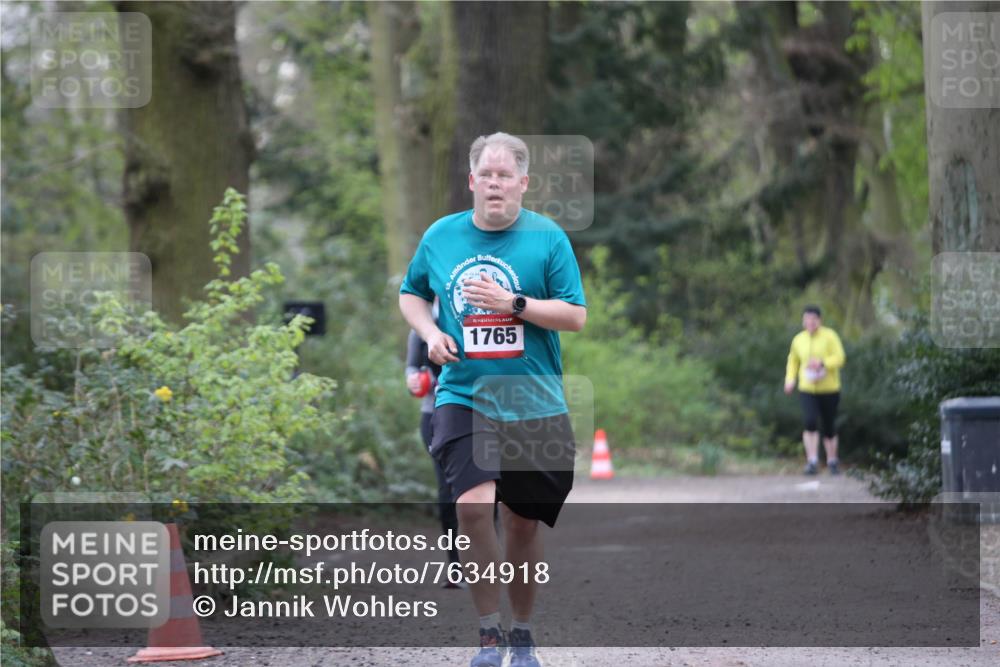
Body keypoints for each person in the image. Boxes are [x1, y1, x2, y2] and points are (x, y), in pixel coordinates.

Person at [399, 132, 586, 667]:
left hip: (533, 398)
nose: (496, 183)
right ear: (472, 181)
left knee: (523, 521)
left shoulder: (547, 239)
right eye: (487, 174)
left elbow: (575, 316)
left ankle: (522, 636)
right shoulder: (442, 236)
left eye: (506, 175)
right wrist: (430, 334)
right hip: (464, 393)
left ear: (523, 183)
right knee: (473, 507)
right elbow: (412, 292)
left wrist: (515, 302)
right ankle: (487, 638)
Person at [405, 305, 464, 587]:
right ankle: (455, 566)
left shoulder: (476, 318)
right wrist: (416, 380)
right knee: (448, 491)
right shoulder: (423, 325)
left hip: (482, 413)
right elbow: (411, 371)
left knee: (489, 493)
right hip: (435, 416)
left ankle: (486, 562)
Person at [784, 305, 846, 475]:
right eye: (807, 319)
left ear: (820, 320)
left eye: (813, 319)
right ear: (803, 321)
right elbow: (793, 361)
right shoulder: (798, 339)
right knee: (810, 421)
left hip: (829, 388)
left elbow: (840, 358)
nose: (810, 322)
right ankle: (812, 460)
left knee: (829, 425)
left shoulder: (830, 336)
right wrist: (790, 379)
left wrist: (823, 363)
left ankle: (832, 460)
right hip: (807, 388)